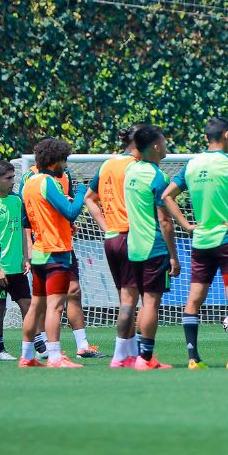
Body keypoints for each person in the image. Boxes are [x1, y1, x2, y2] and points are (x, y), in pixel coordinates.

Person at [164, 117, 228, 369]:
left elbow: (166, 195)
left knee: (194, 299)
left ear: (207, 137)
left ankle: (193, 359)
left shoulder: (192, 165)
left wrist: (185, 225)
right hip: (227, 241)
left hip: (201, 241)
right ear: (226, 134)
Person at [19, 137, 88, 368]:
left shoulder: (29, 182)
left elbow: (34, 216)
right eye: (64, 160)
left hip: (39, 252)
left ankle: (26, 356)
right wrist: (81, 194)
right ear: (54, 160)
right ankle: (56, 357)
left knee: (36, 306)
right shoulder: (48, 182)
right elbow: (70, 211)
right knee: (55, 306)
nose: (65, 165)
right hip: (55, 252)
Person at [85, 125, 141, 368]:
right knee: (131, 299)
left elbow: (89, 197)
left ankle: (131, 353)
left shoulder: (107, 164)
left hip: (112, 238)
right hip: (130, 235)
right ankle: (121, 354)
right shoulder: (135, 167)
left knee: (126, 298)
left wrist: (106, 225)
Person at [123, 125, 178, 370]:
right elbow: (165, 222)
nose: (166, 145)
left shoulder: (131, 171)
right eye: (164, 141)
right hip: (154, 248)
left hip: (134, 247)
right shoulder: (158, 178)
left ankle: (140, 356)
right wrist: (174, 256)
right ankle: (145, 358)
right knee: (151, 303)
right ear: (156, 146)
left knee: (143, 303)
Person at [0, 160, 32, 360]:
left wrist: (26, 258)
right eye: (9, 178)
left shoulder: (17, 200)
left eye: (13, 178)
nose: (13, 182)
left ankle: (34, 346)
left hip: (17, 268)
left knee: (27, 305)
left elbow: (23, 232)